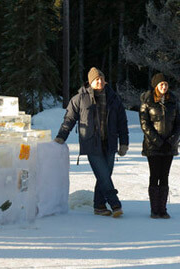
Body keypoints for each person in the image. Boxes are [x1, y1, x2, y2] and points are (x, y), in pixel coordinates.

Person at [55, 67, 129, 218]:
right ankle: (115, 203)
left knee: (104, 175)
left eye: (101, 78)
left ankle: (99, 206)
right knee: (103, 175)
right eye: (96, 79)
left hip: (110, 143)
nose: (100, 81)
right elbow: (69, 119)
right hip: (91, 143)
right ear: (90, 82)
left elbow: (122, 122)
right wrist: (61, 136)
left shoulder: (113, 98)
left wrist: (124, 143)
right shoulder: (80, 98)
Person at [139, 73, 180, 219]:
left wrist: (170, 141)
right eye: (161, 84)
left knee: (165, 176)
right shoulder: (147, 101)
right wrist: (158, 142)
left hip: (169, 147)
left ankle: (162, 209)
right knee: (154, 175)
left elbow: (178, 124)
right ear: (155, 86)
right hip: (153, 146)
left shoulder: (173, 101)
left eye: (166, 84)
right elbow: (145, 124)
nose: (164, 87)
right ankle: (154, 209)